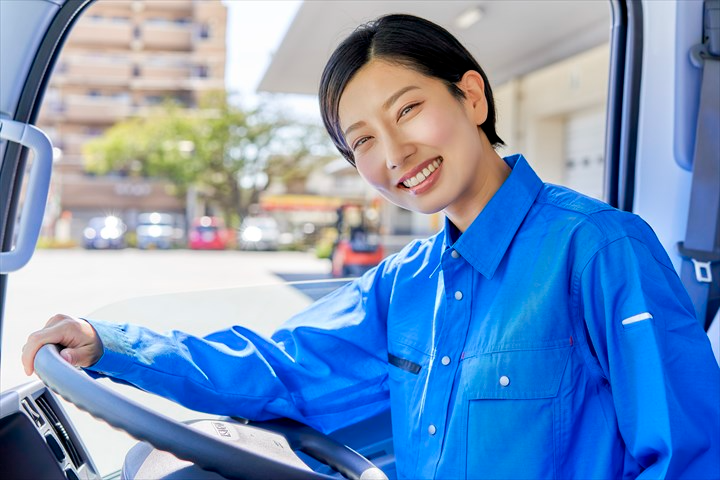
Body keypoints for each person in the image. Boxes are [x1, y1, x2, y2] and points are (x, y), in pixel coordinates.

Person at [23, 14, 720, 479]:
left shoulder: (600, 250)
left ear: (471, 97)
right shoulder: (404, 283)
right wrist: (108, 344)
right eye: (362, 142)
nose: (395, 154)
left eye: (409, 109)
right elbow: (281, 369)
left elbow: (686, 458)